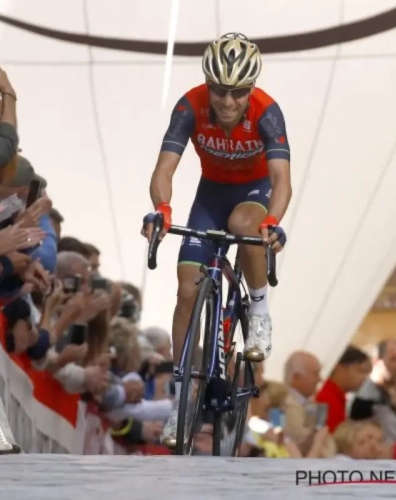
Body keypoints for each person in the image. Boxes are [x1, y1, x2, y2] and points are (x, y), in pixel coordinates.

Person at [140, 32, 292, 447]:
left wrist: (274, 220)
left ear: (251, 88)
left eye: (238, 92)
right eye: (220, 91)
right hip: (210, 194)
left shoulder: (267, 112)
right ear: (208, 85)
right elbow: (164, 169)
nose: (227, 102)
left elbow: (281, 179)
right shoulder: (190, 105)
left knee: (246, 224)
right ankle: (182, 401)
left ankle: (258, 309)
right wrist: (163, 209)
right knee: (186, 288)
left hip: (253, 193)